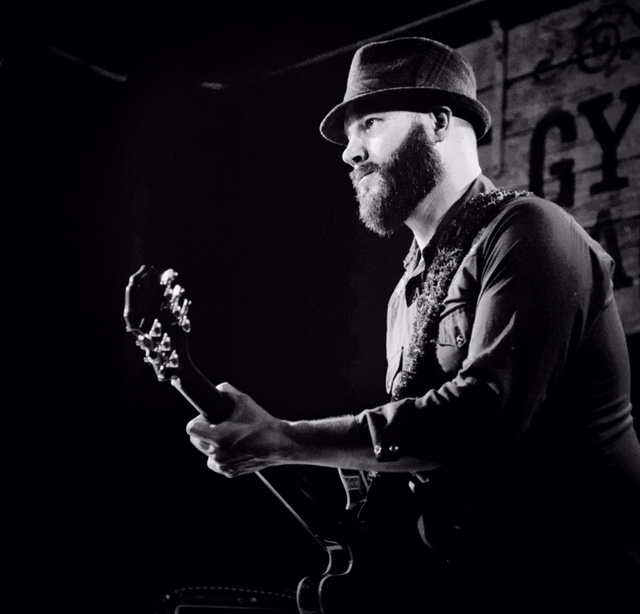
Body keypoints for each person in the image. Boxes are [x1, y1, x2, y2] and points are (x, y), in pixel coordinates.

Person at [187, 37, 640, 611]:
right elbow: (423, 460)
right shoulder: (405, 295)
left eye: (370, 124)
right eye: (348, 136)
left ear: (439, 122)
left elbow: (479, 417)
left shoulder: (531, 231)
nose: (350, 153)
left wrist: (284, 438)